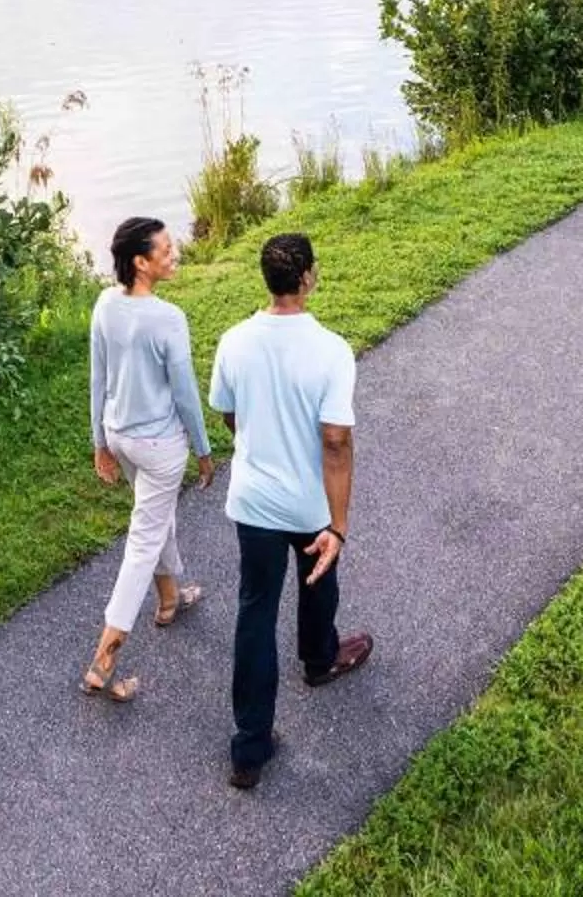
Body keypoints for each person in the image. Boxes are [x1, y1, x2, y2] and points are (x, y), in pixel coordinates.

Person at [206, 230, 371, 788]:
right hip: (308, 504)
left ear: (268, 280)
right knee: (319, 575)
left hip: (252, 501)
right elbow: (335, 440)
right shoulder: (331, 350)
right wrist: (340, 525)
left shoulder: (233, 341)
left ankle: (249, 751)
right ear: (308, 278)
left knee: (255, 611)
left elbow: (229, 416)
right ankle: (320, 660)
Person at [80, 215, 215, 702]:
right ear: (140, 262)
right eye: (165, 249)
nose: (173, 254)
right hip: (160, 447)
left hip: (120, 437)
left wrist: (99, 442)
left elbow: (99, 378)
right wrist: (204, 450)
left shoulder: (104, 304)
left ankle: (169, 600)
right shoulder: (167, 319)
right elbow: (185, 393)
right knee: (143, 541)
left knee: (155, 519)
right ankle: (104, 660)